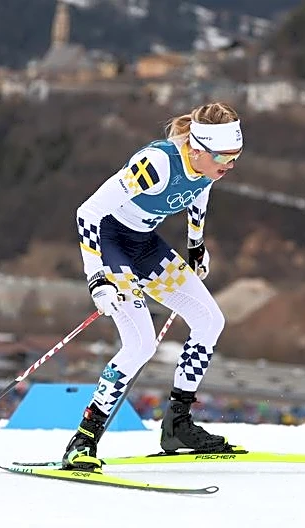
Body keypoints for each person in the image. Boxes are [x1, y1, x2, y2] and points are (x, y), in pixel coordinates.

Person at [62, 102, 243, 471]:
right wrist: (96, 276)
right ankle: (84, 438)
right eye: (224, 157)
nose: (230, 166)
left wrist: (196, 244)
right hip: (111, 242)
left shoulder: (208, 166)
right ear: (197, 150)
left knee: (210, 320)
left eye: (236, 157)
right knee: (140, 343)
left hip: (145, 245)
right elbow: (88, 213)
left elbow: (200, 191)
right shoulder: (156, 165)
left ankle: (177, 424)